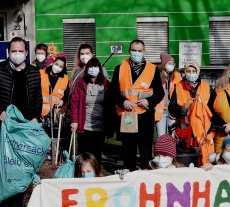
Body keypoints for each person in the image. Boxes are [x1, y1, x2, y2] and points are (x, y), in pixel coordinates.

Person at [0, 36, 42, 207]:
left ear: (26, 52)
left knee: (22, 166)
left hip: (24, 128)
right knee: (3, 166)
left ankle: (17, 204)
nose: (17, 54)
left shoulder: (33, 72)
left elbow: (38, 97)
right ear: (8, 53)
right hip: (3, 128)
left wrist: (36, 117)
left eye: (20, 51)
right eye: (13, 51)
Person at [110, 39, 165, 171]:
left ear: (144, 52)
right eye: (134, 50)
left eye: (139, 51)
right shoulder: (120, 68)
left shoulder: (153, 69)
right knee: (128, 150)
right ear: (129, 51)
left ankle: (146, 176)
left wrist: (149, 102)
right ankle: (130, 174)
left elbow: (159, 93)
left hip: (145, 115)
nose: (136, 53)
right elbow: (112, 92)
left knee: (146, 150)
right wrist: (122, 102)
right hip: (127, 115)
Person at [168, 61, 214, 164]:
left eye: (193, 71)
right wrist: (180, 111)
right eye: (188, 71)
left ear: (198, 72)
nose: (191, 73)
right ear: (184, 72)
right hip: (184, 136)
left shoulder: (207, 87)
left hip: (202, 133)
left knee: (204, 162)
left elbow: (212, 110)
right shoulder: (178, 87)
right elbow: (171, 108)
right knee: (185, 164)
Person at [70, 57, 110, 163]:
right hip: (85, 124)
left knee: (97, 152)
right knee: (83, 151)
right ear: (87, 69)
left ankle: (96, 173)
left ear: (100, 69)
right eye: (91, 67)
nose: (93, 69)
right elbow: (74, 103)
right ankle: (81, 173)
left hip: (100, 124)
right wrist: (74, 121)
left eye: (96, 66)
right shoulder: (81, 84)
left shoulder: (106, 84)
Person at [155, 53, 181, 137]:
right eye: (169, 63)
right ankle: (161, 150)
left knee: (172, 136)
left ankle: (171, 150)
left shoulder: (176, 76)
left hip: (172, 111)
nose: (172, 65)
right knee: (161, 135)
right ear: (164, 65)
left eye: (173, 63)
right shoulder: (157, 76)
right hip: (160, 111)